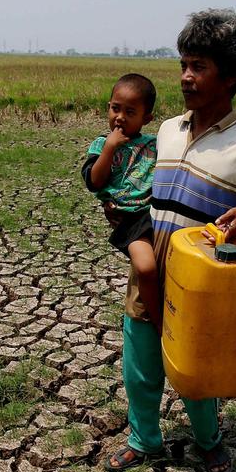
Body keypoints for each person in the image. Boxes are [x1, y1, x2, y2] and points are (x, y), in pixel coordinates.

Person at [107, 8, 236, 472]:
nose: (186, 77)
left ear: (230, 77)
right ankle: (144, 439)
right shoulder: (166, 130)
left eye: (199, 67)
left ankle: (208, 440)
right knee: (141, 365)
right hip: (150, 268)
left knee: (197, 370)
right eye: (183, 64)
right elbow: (137, 187)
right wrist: (120, 208)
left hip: (203, 284)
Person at [81, 73, 163, 333]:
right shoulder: (100, 145)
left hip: (156, 213)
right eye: (116, 109)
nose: (120, 118)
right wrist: (109, 148)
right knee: (146, 268)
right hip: (130, 219)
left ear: (146, 118)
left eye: (130, 112)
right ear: (108, 107)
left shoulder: (153, 144)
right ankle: (160, 320)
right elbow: (94, 181)